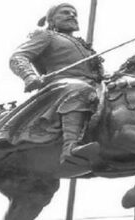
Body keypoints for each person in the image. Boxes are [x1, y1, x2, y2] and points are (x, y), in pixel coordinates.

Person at [9, 3, 104, 165]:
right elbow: (18, 57)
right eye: (65, 12)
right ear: (51, 20)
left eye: (74, 13)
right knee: (80, 89)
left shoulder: (84, 46)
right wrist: (29, 76)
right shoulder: (46, 36)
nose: (72, 15)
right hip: (63, 87)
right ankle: (70, 146)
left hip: (95, 87)